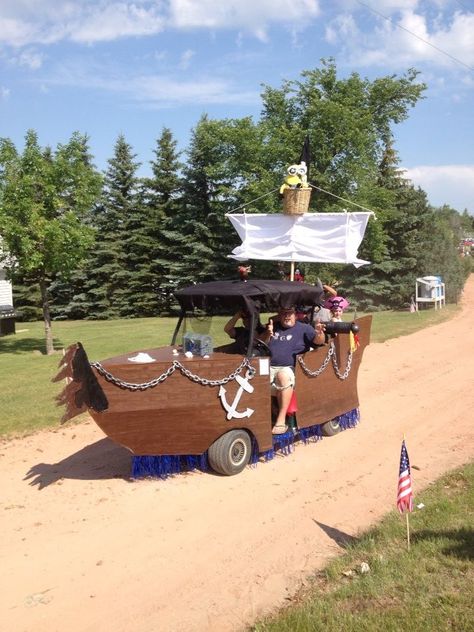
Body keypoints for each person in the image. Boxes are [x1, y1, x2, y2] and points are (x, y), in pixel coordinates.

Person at [260, 306, 325, 435]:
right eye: (284, 313)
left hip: (290, 368)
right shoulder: (272, 327)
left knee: (282, 376)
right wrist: (267, 334)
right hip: (266, 366)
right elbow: (260, 343)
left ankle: (281, 419)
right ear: (279, 315)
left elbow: (319, 342)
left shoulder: (304, 328)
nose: (287, 316)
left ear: (295, 315)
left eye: (290, 313)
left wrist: (319, 333)